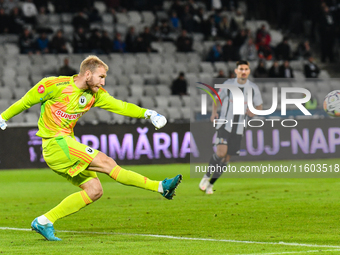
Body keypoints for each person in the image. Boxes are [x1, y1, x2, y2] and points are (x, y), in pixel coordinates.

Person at [0, 55, 182, 241]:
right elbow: (25, 101)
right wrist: (3, 117)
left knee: (94, 191)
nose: (103, 82)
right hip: (56, 143)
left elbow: (121, 106)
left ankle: (45, 221)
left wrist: (148, 114)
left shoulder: (95, 95)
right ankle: (160, 187)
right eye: (101, 77)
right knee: (107, 162)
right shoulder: (54, 85)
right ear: (88, 74)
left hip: (65, 144)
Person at [199, 60, 263, 194]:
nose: (243, 71)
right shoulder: (228, 84)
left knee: (227, 158)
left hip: (239, 127)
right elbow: (216, 99)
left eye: (246, 69)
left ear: (249, 71)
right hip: (224, 124)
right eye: (241, 69)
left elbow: (259, 106)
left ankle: (210, 185)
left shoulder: (253, 88)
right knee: (221, 153)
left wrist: (254, 112)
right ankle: (205, 177)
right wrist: (214, 113)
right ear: (236, 71)